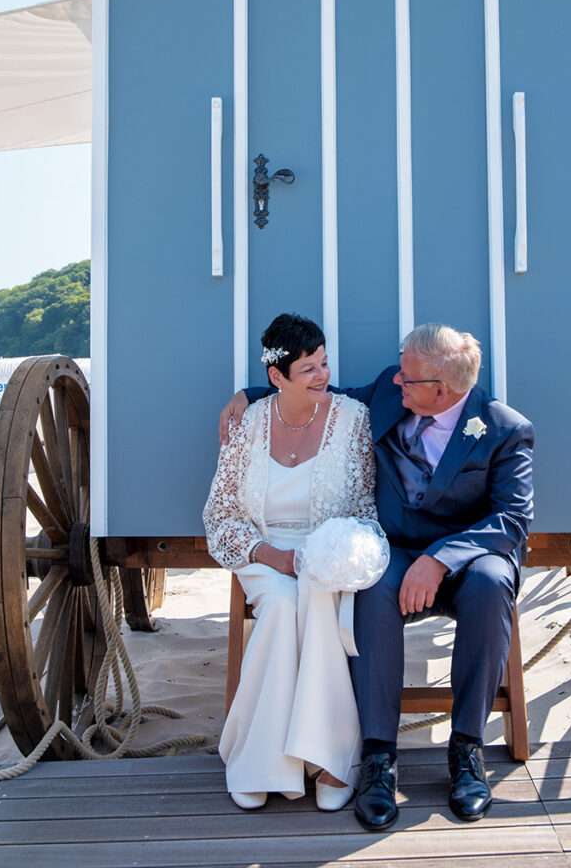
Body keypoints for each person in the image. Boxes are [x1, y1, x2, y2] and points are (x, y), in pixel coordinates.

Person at [219, 323, 534, 829]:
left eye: (409, 381)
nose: (394, 384)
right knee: (370, 585)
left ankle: (467, 751)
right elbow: (325, 392)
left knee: (492, 586)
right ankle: (378, 756)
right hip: (396, 549)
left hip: (470, 557)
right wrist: (250, 392)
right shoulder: (394, 392)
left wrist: (443, 558)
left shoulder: (503, 429)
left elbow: (512, 522)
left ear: (444, 389)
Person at [203, 313, 377, 811]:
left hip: (326, 549)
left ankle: (330, 760)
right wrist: (269, 554)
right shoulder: (248, 421)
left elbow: (364, 505)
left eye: (324, 363)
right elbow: (223, 512)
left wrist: (331, 554)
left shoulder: (352, 418)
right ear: (276, 377)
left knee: (319, 601)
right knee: (279, 607)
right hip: (262, 550)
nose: (322, 375)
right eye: (309, 369)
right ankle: (260, 761)